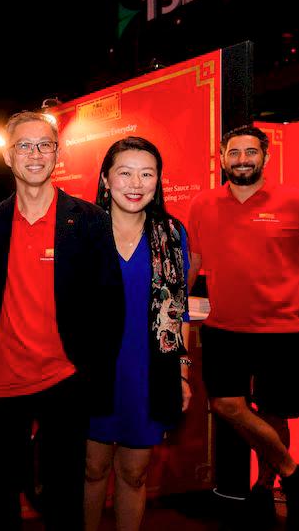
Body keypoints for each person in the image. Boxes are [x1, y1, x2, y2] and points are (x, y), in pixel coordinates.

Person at [0, 111, 125, 531]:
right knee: (1, 496)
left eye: (44, 144)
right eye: (24, 145)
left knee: (64, 497)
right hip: (0, 379)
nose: (35, 154)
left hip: (66, 379)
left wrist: (92, 374)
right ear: (8, 156)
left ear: (57, 153)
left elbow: (109, 305)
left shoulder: (91, 221)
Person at [187, 125, 299, 525]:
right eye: (234, 153)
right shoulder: (203, 203)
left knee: (274, 413)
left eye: (251, 153)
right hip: (223, 327)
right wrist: (173, 305)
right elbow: (194, 262)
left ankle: (265, 489)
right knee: (224, 404)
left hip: (283, 330)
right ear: (222, 158)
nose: (242, 160)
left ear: (266, 157)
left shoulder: (293, 200)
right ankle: (292, 471)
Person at [83, 137, 192, 531]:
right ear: (106, 179)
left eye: (146, 173)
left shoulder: (172, 234)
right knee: (91, 470)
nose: (136, 182)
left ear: (158, 180)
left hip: (150, 373)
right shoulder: (83, 231)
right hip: (93, 373)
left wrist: (181, 373)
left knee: (134, 474)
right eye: (125, 172)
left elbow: (178, 312)